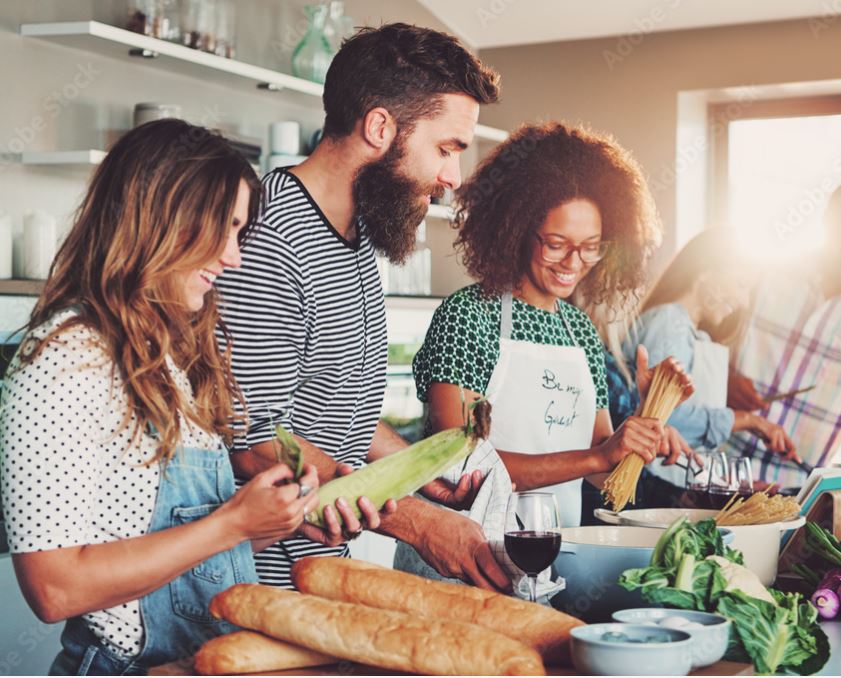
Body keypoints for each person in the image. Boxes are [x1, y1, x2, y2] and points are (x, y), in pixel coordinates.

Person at [0, 120, 323, 675]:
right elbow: (54, 587)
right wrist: (231, 525)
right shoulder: (66, 355)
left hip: (198, 661)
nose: (233, 257)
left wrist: (274, 521)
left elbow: (167, 546)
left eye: (238, 233)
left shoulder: (167, 353)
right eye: (219, 230)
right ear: (158, 217)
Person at [215, 23, 511, 591]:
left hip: (317, 576)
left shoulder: (355, 238)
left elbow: (332, 402)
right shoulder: (270, 239)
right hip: (251, 587)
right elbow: (254, 439)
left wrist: (420, 471)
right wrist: (420, 523)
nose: (452, 178)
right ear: (380, 127)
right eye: (446, 148)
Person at [404, 121, 693, 591]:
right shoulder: (467, 317)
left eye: (590, 248)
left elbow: (604, 480)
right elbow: (458, 467)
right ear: (516, 229)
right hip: (455, 567)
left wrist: (643, 428)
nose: (572, 264)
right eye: (556, 244)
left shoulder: (579, 330)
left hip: (549, 565)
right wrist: (597, 454)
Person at [622, 228, 799, 504]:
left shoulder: (690, 331)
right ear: (705, 271)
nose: (743, 301)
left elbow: (684, 441)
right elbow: (661, 419)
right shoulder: (669, 323)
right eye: (741, 284)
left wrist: (727, 481)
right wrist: (750, 421)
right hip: (650, 492)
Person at [723, 187, 841, 487]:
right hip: (715, 470)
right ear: (828, 219)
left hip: (798, 492)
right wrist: (720, 378)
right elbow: (701, 333)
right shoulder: (767, 270)